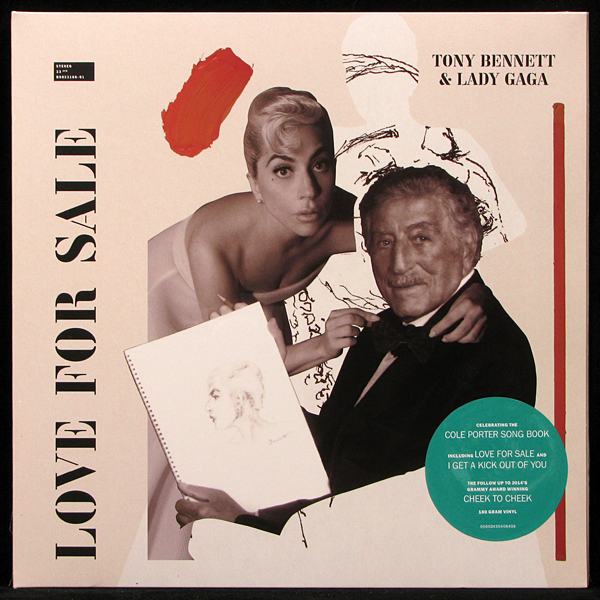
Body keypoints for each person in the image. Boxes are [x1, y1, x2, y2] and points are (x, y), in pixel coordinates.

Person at [148, 88, 489, 559]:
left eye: (320, 164)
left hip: (253, 328)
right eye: (282, 170)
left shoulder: (344, 216)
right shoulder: (212, 241)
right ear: (254, 180)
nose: (308, 191)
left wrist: (474, 289)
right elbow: (230, 377)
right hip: (173, 303)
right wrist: (322, 347)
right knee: (181, 449)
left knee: (249, 454)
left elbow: (442, 235)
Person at [175, 165, 536, 532]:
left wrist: (243, 524)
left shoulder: (494, 356)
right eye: (384, 242)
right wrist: (263, 383)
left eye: (421, 238)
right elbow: (342, 448)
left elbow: (406, 525)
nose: (398, 264)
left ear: (468, 245)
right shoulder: (382, 328)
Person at [205, 361, 292, 445]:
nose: (207, 407)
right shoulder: (229, 447)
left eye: (215, 396)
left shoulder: (288, 433)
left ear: (240, 399)